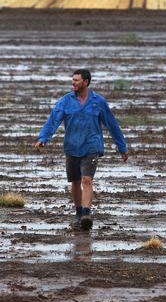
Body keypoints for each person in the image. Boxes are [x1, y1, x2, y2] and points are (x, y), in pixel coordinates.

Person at [34, 69, 129, 230]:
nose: (73, 83)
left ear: (86, 82)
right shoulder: (66, 101)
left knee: (87, 180)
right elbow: (54, 119)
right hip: (72, 147)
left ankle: (86, 214)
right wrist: (43, 138)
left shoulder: (98, 102)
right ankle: (78, 213)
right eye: (73, 80)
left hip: (92, 146)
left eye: (76, 80)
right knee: (75, 181)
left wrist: (122, 147)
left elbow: (112, 124)